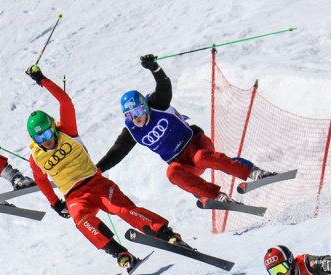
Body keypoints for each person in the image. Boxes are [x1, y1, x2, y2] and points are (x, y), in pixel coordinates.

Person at [24, 64, 185, 271]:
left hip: (96, 183)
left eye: (47, 134)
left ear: (53, 128)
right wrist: (55, 203)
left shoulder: (68, 131)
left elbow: (65, 102)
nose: (46, 141)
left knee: (122, 210)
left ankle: (166, 234)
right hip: (74, 197)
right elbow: (41, 180)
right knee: (81, 220)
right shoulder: (35, 157)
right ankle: (121, 255)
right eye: (39, 138)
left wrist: (41, 79)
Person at [95, 54, 276, 207]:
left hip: (195, 144)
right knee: (172, 173)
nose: (136, 118)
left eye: (138, 111)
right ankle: (215, 197)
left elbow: (164, 86)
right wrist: (98, 169)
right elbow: (116, 152)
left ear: (144, 106)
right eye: (129, 115)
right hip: (181, 163)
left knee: (202, 158)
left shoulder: (157, 104)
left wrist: (155, 68)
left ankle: (252, 172)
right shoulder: (132, 131)